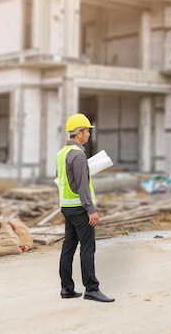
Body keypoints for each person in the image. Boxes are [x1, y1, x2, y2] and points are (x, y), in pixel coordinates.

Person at [56, 113, 114, 302]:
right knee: (88, 248)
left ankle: (66, 288)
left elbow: (63, 180)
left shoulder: (61, 154)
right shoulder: (78, 155)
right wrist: (91, 209)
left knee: (69, 247)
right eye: (88, 131)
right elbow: (82, 185)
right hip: (80, 208)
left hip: (66, 206)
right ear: (80, 132)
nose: (89, 134)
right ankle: (91, 288)